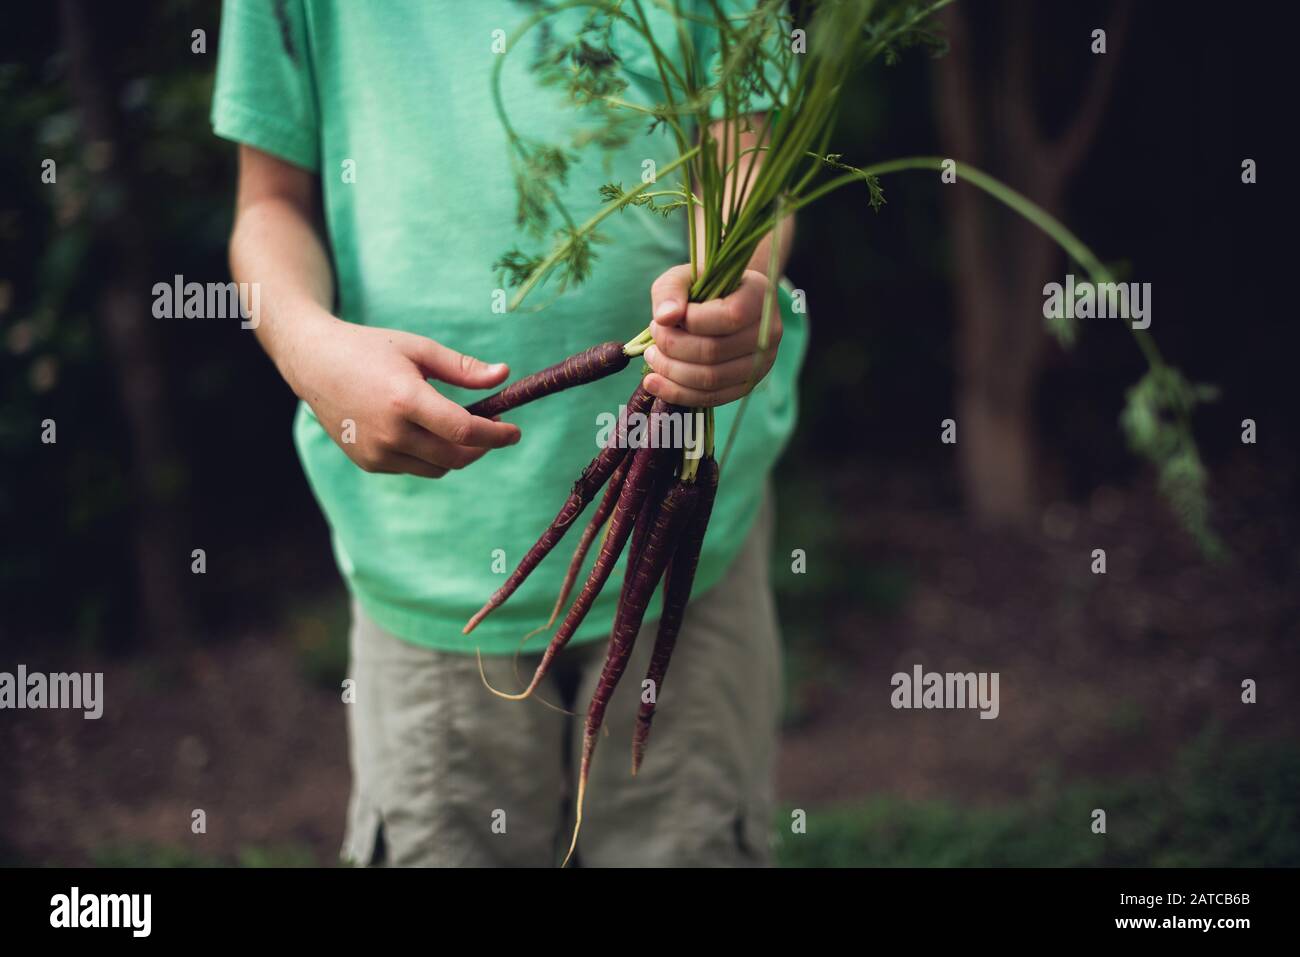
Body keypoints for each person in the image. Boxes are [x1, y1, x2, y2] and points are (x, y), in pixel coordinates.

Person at [213, 0, 806, 866]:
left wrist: (741, 275)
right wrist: (313, 349)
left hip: (688, 528)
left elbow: (745, 151)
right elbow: (269, 200)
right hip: (428, 559)